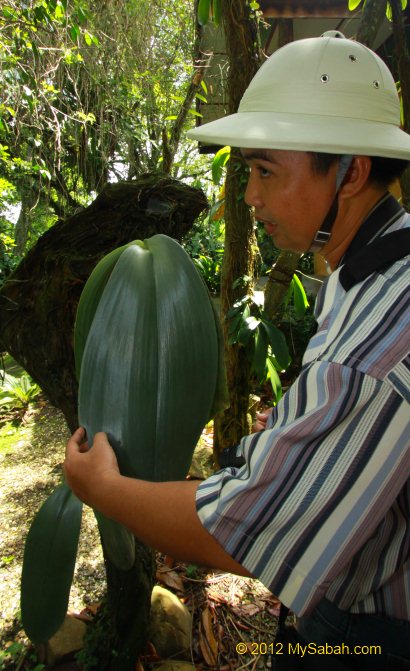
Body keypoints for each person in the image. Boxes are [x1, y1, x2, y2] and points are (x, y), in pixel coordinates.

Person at [64, 33, 410, 669]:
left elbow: (238, 532)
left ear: (351, 172)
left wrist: (104, 490)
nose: (250, 196)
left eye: (266, 171)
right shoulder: (372, 272)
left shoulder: (365, 355)